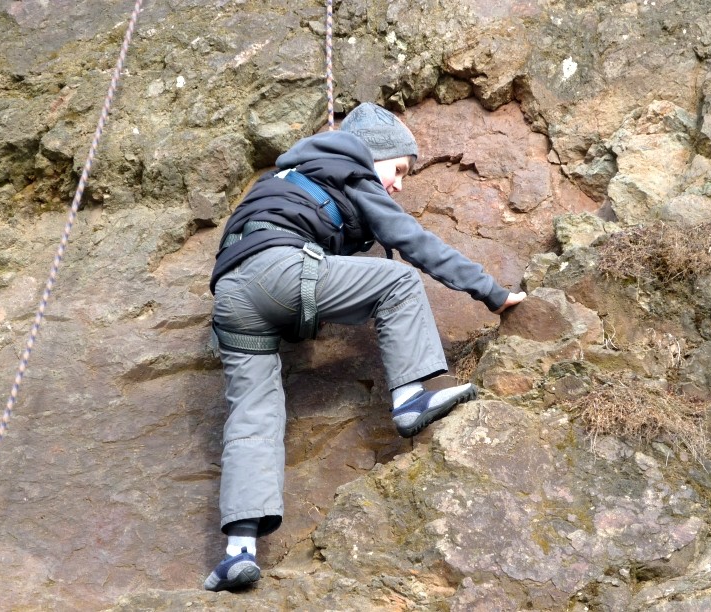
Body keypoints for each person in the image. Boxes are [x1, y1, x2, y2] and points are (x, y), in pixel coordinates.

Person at [203, 102, 526, 591]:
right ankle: (411, 396)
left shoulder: (291, 173)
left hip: (232, 293)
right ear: (370, 154)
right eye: (397, 169)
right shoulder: (350, 170)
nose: (396, 184)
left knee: (254, 414)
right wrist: (493, 294)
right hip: (280, 268)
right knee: (397, 280)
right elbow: (412, 240)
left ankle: (237, 552)